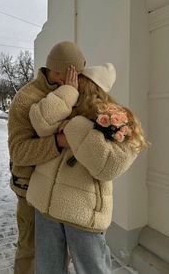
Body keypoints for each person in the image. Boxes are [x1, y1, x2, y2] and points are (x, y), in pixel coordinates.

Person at [26, 63, 148, 274]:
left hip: (82, 212)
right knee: (46, 269)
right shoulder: (65, 104)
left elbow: (109, 166)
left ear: (89, 86)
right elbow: (39, 122)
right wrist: (67, 94)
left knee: (93, 269)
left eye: (76, 81)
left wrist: (74, 126)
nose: (67, 82)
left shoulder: (114, 117)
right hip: (44, 204)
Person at [7, 41, 86, 274]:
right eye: (75, 73)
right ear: (62, 71)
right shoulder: (26, 99)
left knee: (61, 252)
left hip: (64, 190)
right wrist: (58, 142)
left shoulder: (75, 89)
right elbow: (19, 152)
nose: (78, 79)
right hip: (30, 190)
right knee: (30, 251)